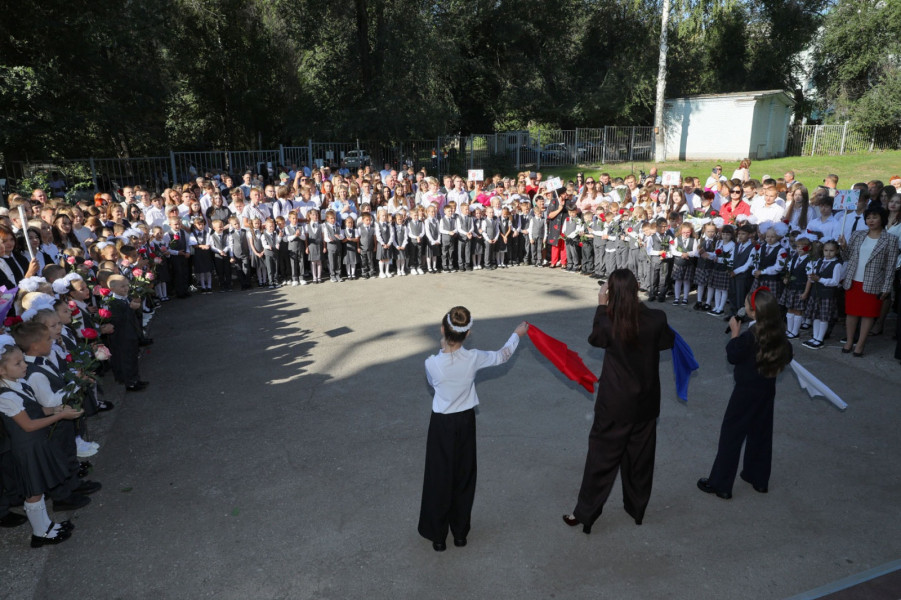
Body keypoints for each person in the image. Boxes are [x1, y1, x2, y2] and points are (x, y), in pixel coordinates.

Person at [563, 269, 675, 533]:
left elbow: (596, 339)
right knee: (640, 458)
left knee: (601, 459)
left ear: (610, 292)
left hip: (615, 403)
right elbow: (665, 343)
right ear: (637, 288)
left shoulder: (608, 321)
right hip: (646, 401)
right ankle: (637, 510)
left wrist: (602, 306)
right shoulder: (657, 318)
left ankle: (586, 515)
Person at [418, 307, 527, 551]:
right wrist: (517, 334)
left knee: (440, 477)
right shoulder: (474, 357)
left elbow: (434, 384)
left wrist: (443, 347)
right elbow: (503, 355)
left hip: (442, 424)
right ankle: (460, 533)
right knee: (464, 475)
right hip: (466, 421)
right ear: (468, 334)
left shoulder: (432, 363)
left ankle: (438, 536)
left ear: (443, 329)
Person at [698, 287, 793, 499]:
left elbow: (733, 354)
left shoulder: (750, 336)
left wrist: (734, 332)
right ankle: (758, 478)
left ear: (752, 311)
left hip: (744, 392)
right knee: (761, 433)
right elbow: (788, 356)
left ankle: (720, 484)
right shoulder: (778, 333)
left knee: (732, 435)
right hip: (767, 390)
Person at [0, 337, 82, 548]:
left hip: (35, 444)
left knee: (39, 489)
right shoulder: (6, 397)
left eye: (23, 361)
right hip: (27, 447)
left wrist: (56, 409)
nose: (25, 365)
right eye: (17, 363)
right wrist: (59, 417)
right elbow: (28, 425)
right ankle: (40, 533)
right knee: (34, 492)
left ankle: (47, 525)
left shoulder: (18, 383)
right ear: (2, 371)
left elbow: (37, 410)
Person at [838, 207, 899, 356]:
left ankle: (860, 344)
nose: (870, 220)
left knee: (868, 315)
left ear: (882, 219)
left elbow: (890, 266)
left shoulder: (891, 239)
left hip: (874, 283)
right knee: (851, 313)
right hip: (853, 280)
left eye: (874, 217)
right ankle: (849, 341)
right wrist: (843, 247)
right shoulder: (857, 235)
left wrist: (886, 287)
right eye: (868, 217)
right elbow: (847, 257)